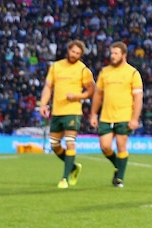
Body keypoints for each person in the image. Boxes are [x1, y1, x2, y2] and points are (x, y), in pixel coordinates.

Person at [38, 40, 94, 189]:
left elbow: (91, 90)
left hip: (73, 112)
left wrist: (77, 97)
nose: (74, 55)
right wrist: (43, 104)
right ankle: (73, 167)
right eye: (73, 52)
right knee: (55, 145)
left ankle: (64, 178)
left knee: (70, 142)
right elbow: (48, 87)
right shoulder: (56, 67)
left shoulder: (83, 70)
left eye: (78, 53)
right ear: (68, 50)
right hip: (57, 111)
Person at [89, 41, 143, 188]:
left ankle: (119, 178)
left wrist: (134, 118)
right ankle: (119, 165)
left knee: (121, 145)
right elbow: (98, 95)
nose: (112, 56)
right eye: (111, 53)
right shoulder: (104, 72)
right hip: (106, 116)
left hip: (124, 116)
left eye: (116, 53)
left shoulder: (132, 73)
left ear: (123, 55)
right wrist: (93, 114)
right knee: (105, 146)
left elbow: (138, 98)